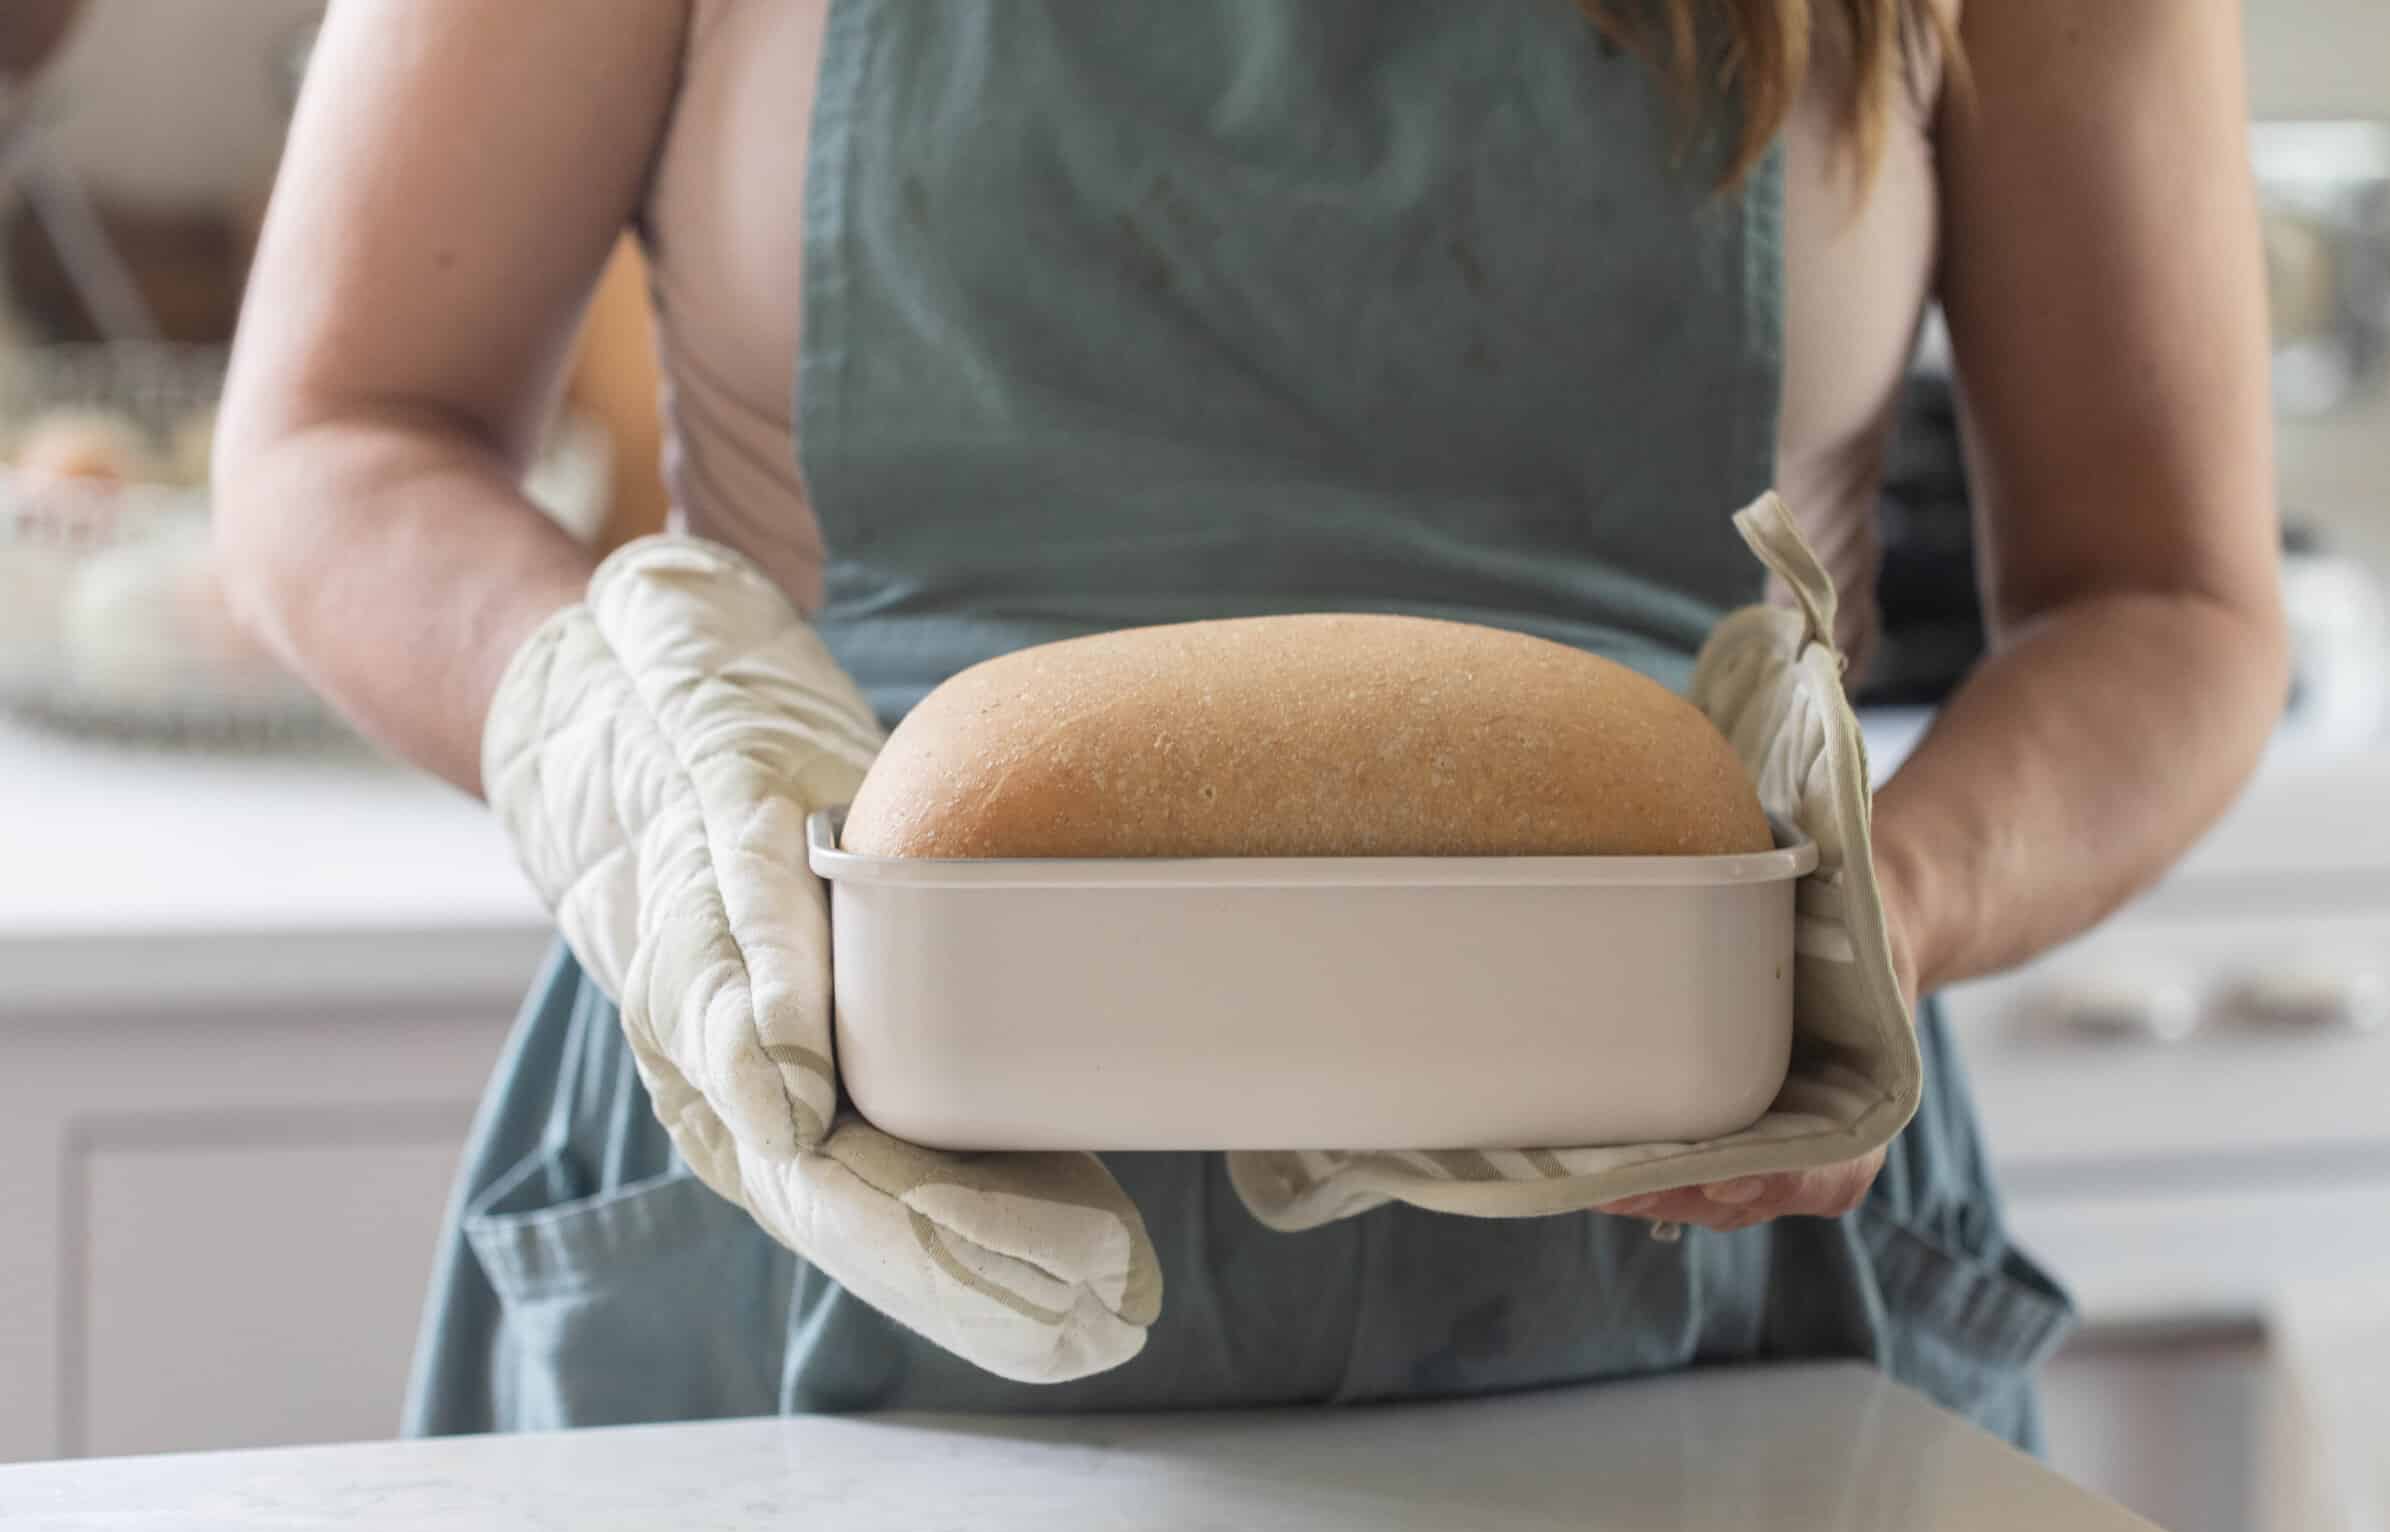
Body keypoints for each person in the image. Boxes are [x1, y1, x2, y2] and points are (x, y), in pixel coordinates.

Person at [213, 0, 2285, 1448]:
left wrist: (1882, 905)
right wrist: (655, 784)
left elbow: (2163, 600)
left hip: (1688, 1267)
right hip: (819, 1197)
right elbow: (341, 430)